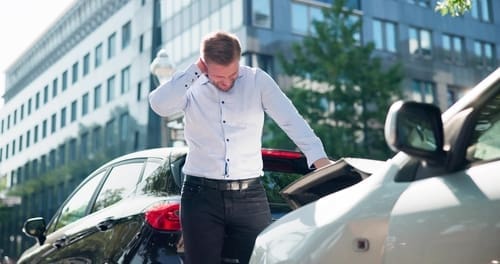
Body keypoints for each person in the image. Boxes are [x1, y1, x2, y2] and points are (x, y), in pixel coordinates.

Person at [149, 31, 332, 264]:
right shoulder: (191, 85)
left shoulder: (258, 81)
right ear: (204, 65)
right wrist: (194, 70)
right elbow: (159, 105)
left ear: (239, 60)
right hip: (200, 197)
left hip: (250, 197)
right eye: (218, 77)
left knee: (260, 260)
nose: (226, 82)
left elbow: (291, 121)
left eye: (232, 74)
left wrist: (319, 159)